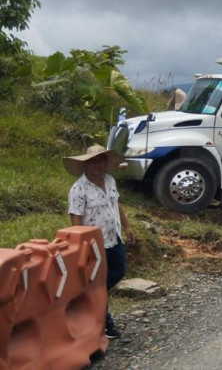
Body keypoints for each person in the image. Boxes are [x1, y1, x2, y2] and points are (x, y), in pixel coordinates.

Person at [64, 145, 135, 340]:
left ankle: (93, 300)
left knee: (118, 271)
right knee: (98, 286)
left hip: (114, 237)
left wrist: (127, 226)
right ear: (86, 163)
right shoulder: (78, 189)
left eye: (101, 159)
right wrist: (80, 246)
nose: (97, 164)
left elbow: (116, 204)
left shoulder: (109, 180)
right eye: (93, 160)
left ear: (105, 162)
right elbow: (76, 219)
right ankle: (105, 322)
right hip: (95, 245)